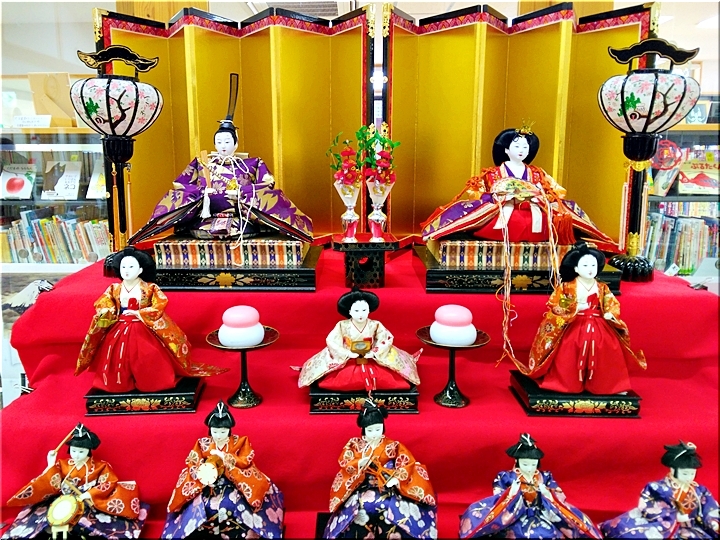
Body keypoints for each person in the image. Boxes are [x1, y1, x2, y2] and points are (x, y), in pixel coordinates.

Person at [133, 73, 313, 245]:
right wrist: (202, 193)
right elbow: (181, 186)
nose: (223, 146)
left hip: (241, 219)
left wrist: (242, 193)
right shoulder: (202, 163)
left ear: (236, 143)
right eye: (219, 142)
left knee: (242, 226)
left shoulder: (252, 164)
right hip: (206, 218)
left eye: (227, 141)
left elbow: (267, 185)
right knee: (201, 226)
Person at [420, 127, 615, 249]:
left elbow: (556, 191)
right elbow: (476, 193)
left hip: (533, 209)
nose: (522, 150)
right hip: (502, 211)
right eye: (517, 146)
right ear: (506, 149)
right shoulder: (493, 173)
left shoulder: (537, 173)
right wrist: (499, 196)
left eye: (525, 147)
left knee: (561, 211)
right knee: (478, 213)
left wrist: (539, 196)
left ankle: (599, 238)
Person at [75, 246, 227, 393]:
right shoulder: (114, 289)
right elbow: (104, 301)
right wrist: (107, 310)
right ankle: (117, 384)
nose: (126, 270)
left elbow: (159, 303)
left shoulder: (150, 288)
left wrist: (139, 313)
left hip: (142, 325)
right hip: (119, 326)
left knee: (148, 354)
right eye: (123, 267)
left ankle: (152, 382)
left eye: (131, 267)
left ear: (140, 270)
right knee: (114, 354)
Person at [520, 242, 646, 394]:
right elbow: (558, 305)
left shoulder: (602, 287)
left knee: (606, 351)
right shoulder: (567, 287)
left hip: (599, 323)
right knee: (568, 351)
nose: (590, 269)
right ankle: (565, 383)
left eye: (593, 265)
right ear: (576, 269)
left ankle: (608, 385)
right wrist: (573, 308)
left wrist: (610, 313)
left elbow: (611, 303)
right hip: (575, 322)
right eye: (585, 266)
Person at [3, 423, 148, 539]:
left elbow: (109, 483)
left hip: (87, 500)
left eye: (81, 452)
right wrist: (51, 463)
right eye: (73, 451)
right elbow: (52, 480)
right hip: (64, 499)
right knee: (45, 518)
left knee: (90, 522)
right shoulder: (63, 464)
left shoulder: (101, 466)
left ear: (88, 451)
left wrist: (89, 494)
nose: (76, 455)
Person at [162, 401, 284, 539]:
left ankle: (243, 533)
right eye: (215, 431)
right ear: (210, 430)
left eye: (223, 431)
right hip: (208, 483)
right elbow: (192, 461)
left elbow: (246, 460)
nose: (219, 435)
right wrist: (203, 472)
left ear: (229, 430)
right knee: (202, 507)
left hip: (233, 482)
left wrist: (226, 458)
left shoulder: (240, 442)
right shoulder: (203, 444)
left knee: (233, 504)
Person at [324, 400, 437, 539]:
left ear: (383, 428)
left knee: (393, 509)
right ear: (363, 429)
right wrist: (359, 463)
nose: (374, 434)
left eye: (378, 429)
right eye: (370, 430)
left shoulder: (393, 445)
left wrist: (397, 478)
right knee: (360, 509)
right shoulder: (355, 445)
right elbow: (345, 461)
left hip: (388, 484)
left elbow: (407, 461)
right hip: (363, 485)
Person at [459, 433, 602, 539]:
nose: (529, 468)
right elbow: (498, 497)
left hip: (543, 514)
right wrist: (512, 493)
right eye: (525, 464)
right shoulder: (506, 476)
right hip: (514, 516)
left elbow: (558, 495)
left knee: (549, 533)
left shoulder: (545, 476)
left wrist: (547, 493)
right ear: (517, 461)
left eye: (533, 464)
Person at [298, 288, 421, 393]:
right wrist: (347, 353)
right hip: (349, 359)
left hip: (371, 357)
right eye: (356, 311)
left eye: (364, 310)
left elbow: (386, 338)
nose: (361, 314)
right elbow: (332, 341)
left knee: (387, 379)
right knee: (340, 380)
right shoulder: (342, 325)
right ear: (350, 311)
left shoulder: (375, 324)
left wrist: (374, 352)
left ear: (369, 310)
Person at [600, 441, 719, 538]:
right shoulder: (657, 488)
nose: (689, 477)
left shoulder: (700, 490)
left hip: (690, 528)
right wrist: (673, 516)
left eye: (692, 474)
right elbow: (649, 507)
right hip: (662, 525)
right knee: (629, 532)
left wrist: (712, 521)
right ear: (672, 470)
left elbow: (710, 509)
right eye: (685, 474)